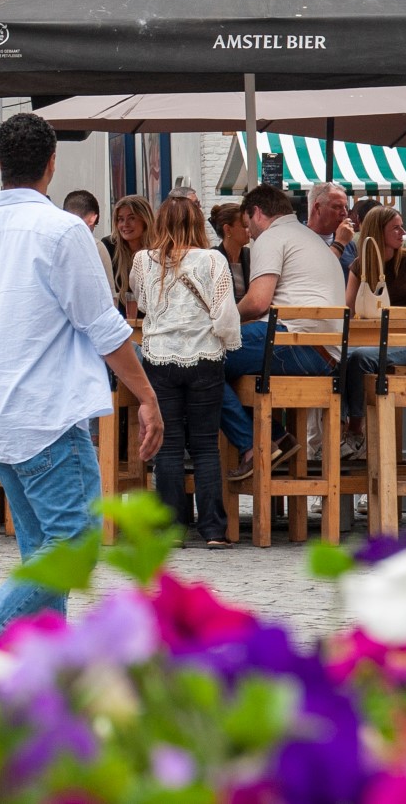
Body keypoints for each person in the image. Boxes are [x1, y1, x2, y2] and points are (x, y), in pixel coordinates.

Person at [0, 112, 160, 633]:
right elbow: (105, 327)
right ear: (52, 164)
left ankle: (38, 676)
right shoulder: (64, 232)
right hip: (49, 415)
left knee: (44, 555)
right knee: (75, 546)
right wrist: (148, 397)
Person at [218, 184, 345, 479]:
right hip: (327, 354)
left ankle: (252, 445)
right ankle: (277, 437)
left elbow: (258, 302)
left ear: (258, 213)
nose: (248, 233)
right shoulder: (308, 238)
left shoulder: (272, 237)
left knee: (200, 359)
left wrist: (220, 320)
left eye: (248, 224)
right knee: (219, 364)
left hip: (296, 343)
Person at [130, 195, 235, 547]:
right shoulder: (212, 259)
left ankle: (171, 531)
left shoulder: (144, 260)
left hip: (159, 358)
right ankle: (213, 531)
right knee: (206, 446)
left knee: (169, 446)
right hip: (205, 356)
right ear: (197, 223)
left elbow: (143, 303)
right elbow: (224, 312)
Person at [341, 205, 406, 456]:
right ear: (377, 231)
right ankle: (339, 430)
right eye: (395, 227)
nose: (402, 231)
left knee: (360, 357)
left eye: (401, 226)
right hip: (376, 343)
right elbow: (347, 309)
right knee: (338, 357)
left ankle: (354, 430)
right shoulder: (360, 266)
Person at [103, 196, 154, 312]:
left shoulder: (158, 250)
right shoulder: (109, 246)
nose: (125, 224)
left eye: (131, 218)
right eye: (120, 219)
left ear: (145, 220)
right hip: (118, 321)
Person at [307, 180, 356, 275]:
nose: (344, 213)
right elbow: (316, 272)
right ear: (317, 207)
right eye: (337, 207)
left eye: (345, 207)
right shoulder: (298, 239)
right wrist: (339, 243)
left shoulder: (349, 244)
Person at [209, 202, 252, 297]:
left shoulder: (250, 256)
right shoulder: (212, 259)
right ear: (227, 229)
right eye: (245, 226)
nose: (249, 229)